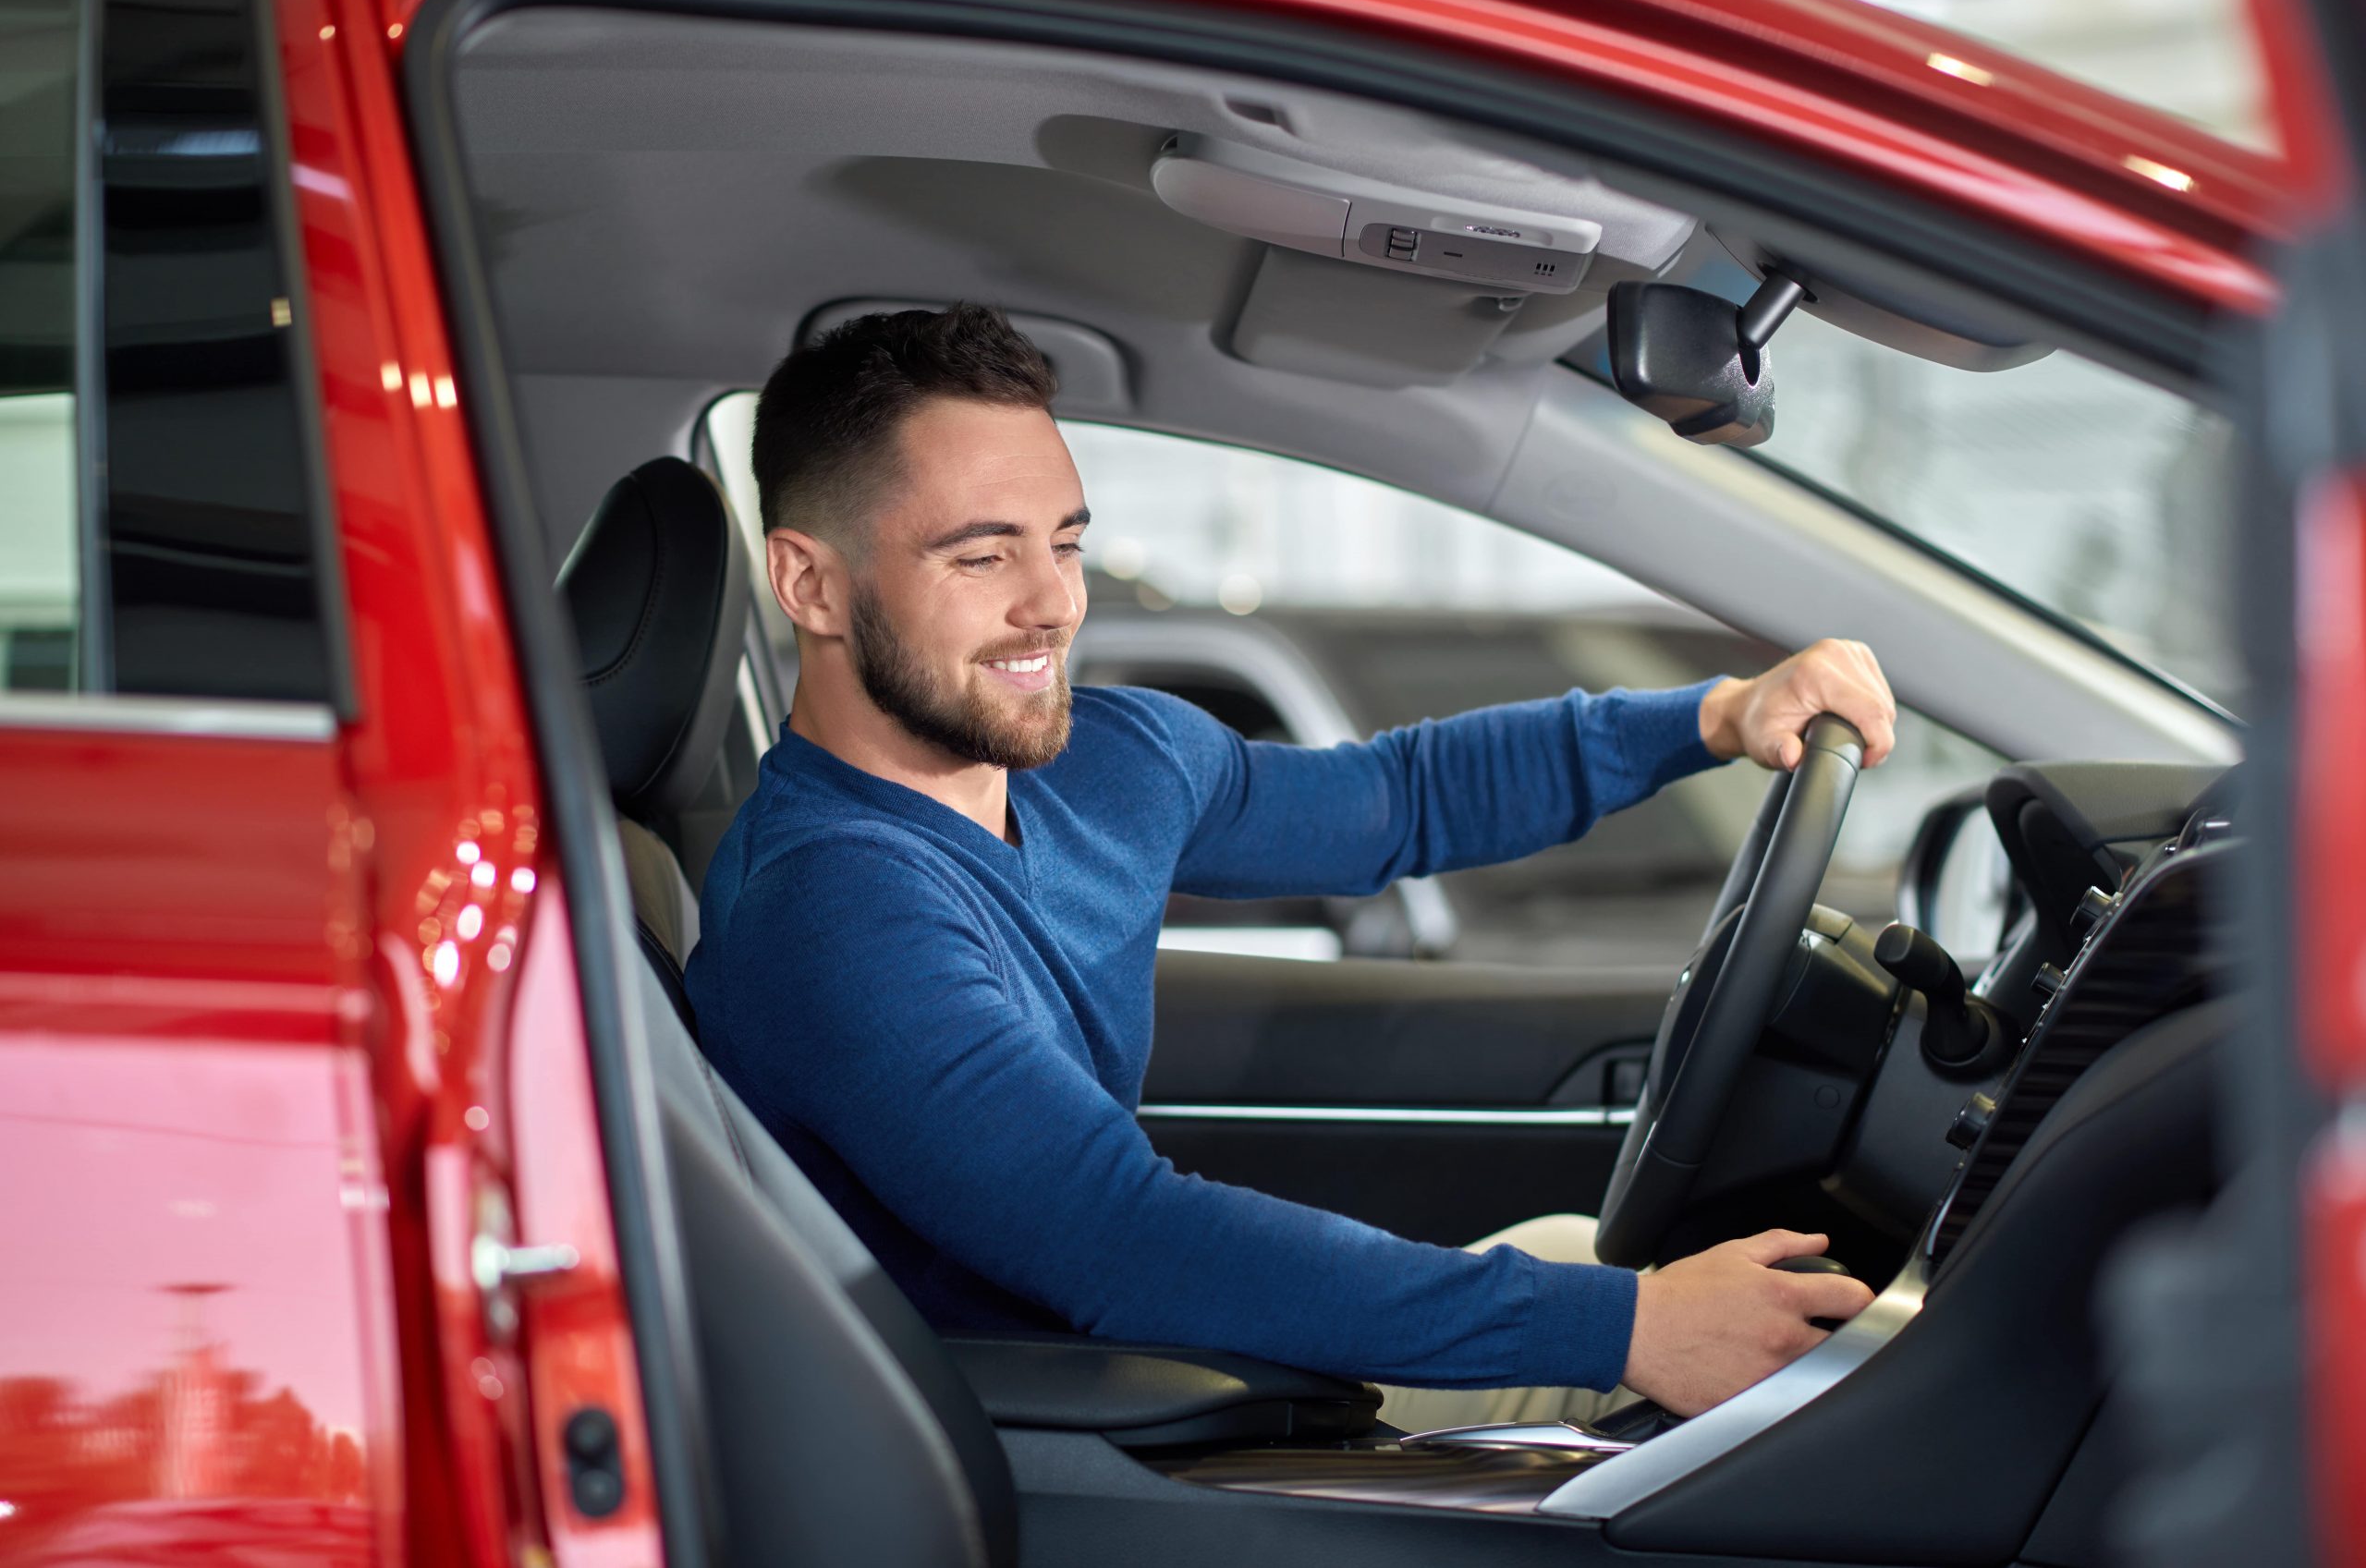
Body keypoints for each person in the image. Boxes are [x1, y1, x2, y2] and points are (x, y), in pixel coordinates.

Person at [685, 303, 1887, 1427]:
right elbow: (1119, 1237)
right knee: (1718, 1381)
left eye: (1065, 542)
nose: (1054, 604)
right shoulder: (832, 906)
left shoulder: (1103, 760)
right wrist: (1625, 1329)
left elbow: (1397, 800)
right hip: (1053, 1433)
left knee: (1588, 1246)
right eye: (981, 556)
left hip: (1151, 1367)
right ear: (811, 584)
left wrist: (1719, 715)